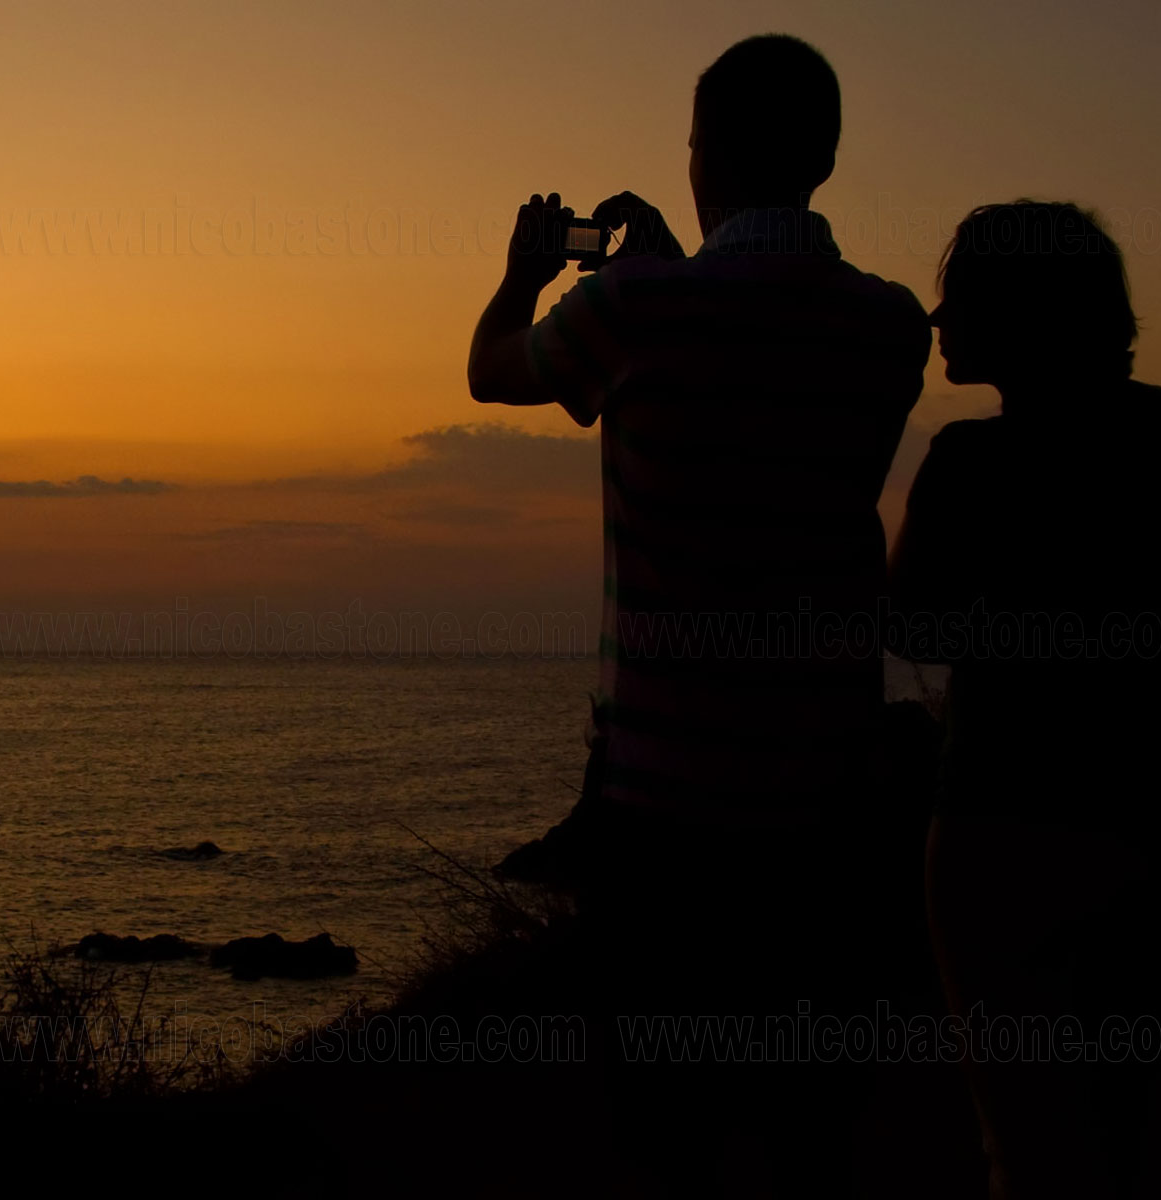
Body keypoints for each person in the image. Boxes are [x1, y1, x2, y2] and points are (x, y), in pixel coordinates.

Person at [468, 34, 931, 1194]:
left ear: (702, 150)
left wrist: (527, 271)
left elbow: (491, 369)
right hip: (831, 810)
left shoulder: (633, 309)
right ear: (825, 153)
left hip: (667, 822)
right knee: (812, 1136)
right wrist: (674, 272)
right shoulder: (887, 327)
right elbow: (757, 360)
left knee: (662, 1138)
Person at [891, 200, 1161, 1198]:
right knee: (1143, 1132)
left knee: (1028, 1145)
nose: (937, 316)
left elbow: (913, 624)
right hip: (1160, 816)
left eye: (959, 297)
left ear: (1017, 311)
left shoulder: (967, 460)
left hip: (1002, 823)